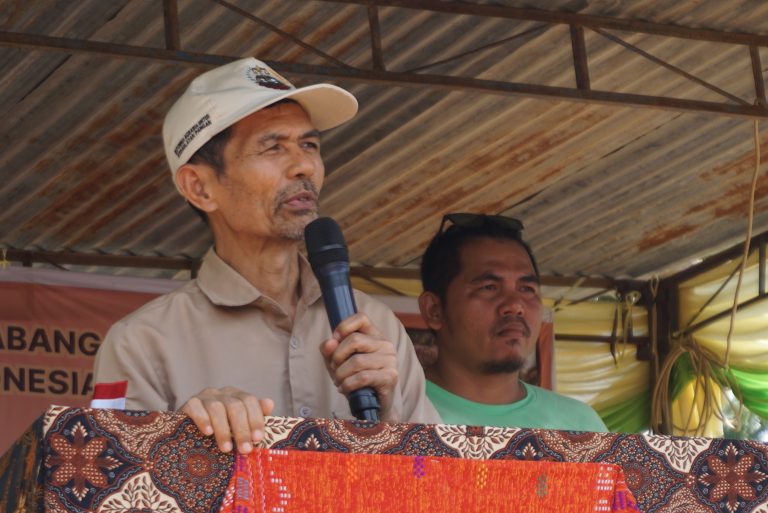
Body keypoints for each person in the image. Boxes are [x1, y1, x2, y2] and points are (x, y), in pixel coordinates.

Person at [92, 57, 440, 454]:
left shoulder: (375, 325)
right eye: (273, 147)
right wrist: (183, 439)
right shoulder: (140, 343)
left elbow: (444, 478)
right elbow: (107, 475)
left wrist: (390, 408)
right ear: (200, 188)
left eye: (309, 145)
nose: (304, 166)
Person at [417, 213, 607, 432]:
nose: (515, 305)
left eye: (526, 289)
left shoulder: (579, 427)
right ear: (434, 310)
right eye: (489, 287)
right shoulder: (396, 412)